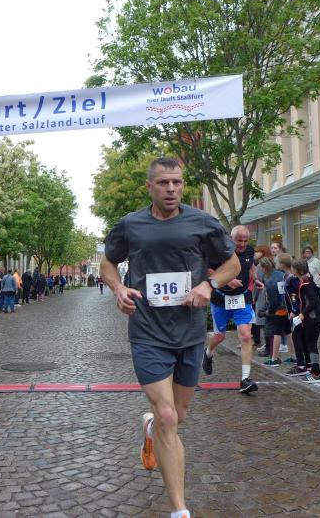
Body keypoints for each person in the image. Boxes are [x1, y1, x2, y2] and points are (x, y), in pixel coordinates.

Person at [100, 157, 239, 518]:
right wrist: (118, 289)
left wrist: (209, 285)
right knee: (167, 416)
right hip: (147, 330)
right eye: (163, 183)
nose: (171, 189)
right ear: (149, 186)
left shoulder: (202, 223)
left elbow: (233, 264)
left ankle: (150, 430)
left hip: (189, 332)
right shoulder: (130, 225)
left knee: (178, 414)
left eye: (177, 182)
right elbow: (107, 263)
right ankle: (179, 510)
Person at [201, 225, 258, 394]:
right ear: (230, 239)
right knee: (219, 336)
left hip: (242, 298)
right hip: (221, 298)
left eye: (245, 240)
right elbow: (208, 270)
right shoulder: (219, 251)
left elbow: (250, 266)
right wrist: (226, 279)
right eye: (239, 240)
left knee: (246, 336)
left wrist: (255, 279)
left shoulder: (249, 251)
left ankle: (245, 379)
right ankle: (208, 353)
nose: (242, 244)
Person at [291, 258, 320, 383]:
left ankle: (316, 373)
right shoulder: (306, 280)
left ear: (298, 270)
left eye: (293, 268)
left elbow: (313, 301)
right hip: (313, 317)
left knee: (311, 344)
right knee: (308, 342)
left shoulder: (306, 284)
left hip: (314, 318)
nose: (291, 269)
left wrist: (303, 314)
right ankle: (312, 369)